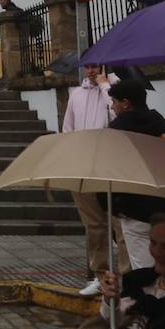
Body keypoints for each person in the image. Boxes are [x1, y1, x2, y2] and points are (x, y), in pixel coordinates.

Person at [105, 79, 165, 269]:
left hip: (133, 209)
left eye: (115, 102)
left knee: (143, 270)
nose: (112, 106)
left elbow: (109, 169)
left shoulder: (116, 133)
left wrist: (112, 205)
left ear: (125, 103)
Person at [62, 64, 122, 297]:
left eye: (95, 66)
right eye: (87, 66)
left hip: (111, 164)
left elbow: (118, 115)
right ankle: (101, 276)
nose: (90, 71)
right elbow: (68, 128)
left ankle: (126, 275)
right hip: (84, 165)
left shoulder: (116, 90)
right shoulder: (77, 94)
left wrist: (106, 86)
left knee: (119, 223)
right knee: (95, 226)